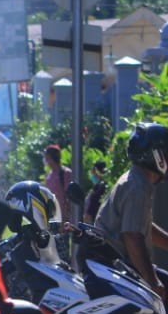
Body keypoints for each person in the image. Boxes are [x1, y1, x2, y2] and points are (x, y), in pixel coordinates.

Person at [91, 123, 168, 300]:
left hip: (116, 266)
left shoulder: (137, 179)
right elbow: (132, 236)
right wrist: (152, 281)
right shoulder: (137, 187)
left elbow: (141, 225)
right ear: (157, 155)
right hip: (117, 269)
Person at [42, 144, 74, 226]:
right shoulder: (49, 176)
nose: (46, 161)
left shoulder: (66, 173)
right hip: (53, 218)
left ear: (53, 158)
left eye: (47, 158)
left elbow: (70, 198)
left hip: (66, 220)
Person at [83, 160, 108, 224]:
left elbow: (88, 215)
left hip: (96, 225)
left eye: (93, 171)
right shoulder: (106, 186)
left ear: (96, 171)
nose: (92, 174)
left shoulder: (99, 189)